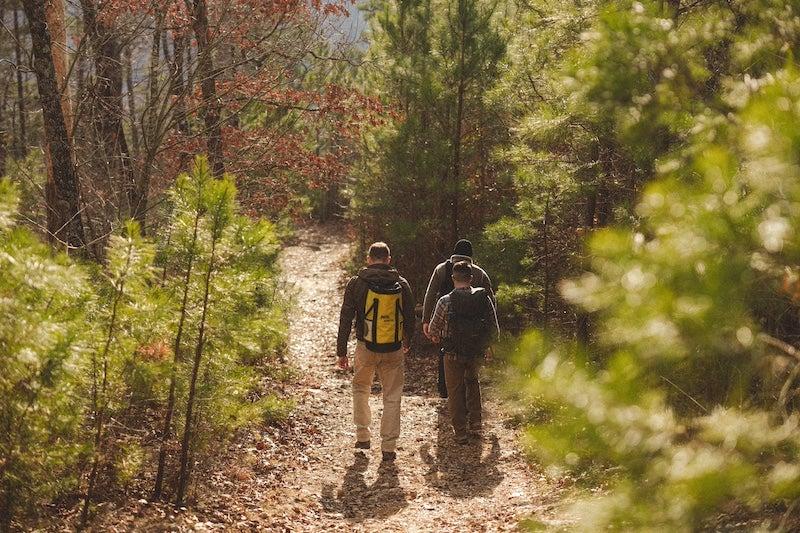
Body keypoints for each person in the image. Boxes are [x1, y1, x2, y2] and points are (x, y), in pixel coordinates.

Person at [336, 242, 416, 462]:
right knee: (392, 396)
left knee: (361, 388)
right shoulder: (401, 283)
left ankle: (363, 436)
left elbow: (345, 318)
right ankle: (388, 447)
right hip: (394, 347)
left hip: (365, 346)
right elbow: (410, 317)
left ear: (369, 259)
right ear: (389, 259)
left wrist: (341, 351)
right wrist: (408, 341)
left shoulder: (357, 283)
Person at [428, 261, 499, 444]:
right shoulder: (484, 298)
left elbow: (434, 328)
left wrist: (436, 336)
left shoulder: (445, 300)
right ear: (471, 278)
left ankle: (460, 432)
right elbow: (493, 326)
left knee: (455, 391)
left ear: (453, 279)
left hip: (452, 353)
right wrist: (490, 346)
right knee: (473, 384)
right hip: (475, 351)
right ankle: (476, 424)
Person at [422, 239, 494, 398]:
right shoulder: (479, 273)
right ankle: (468, 395)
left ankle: (445, 389)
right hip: (473, 327)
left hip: (446, 324)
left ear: (453, 253)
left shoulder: (441, 269)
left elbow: (430, 294)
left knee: (445, 354)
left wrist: (426, 319)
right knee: (471, 359)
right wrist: (490, 332)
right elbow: (490, 301)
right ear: (471, 256)